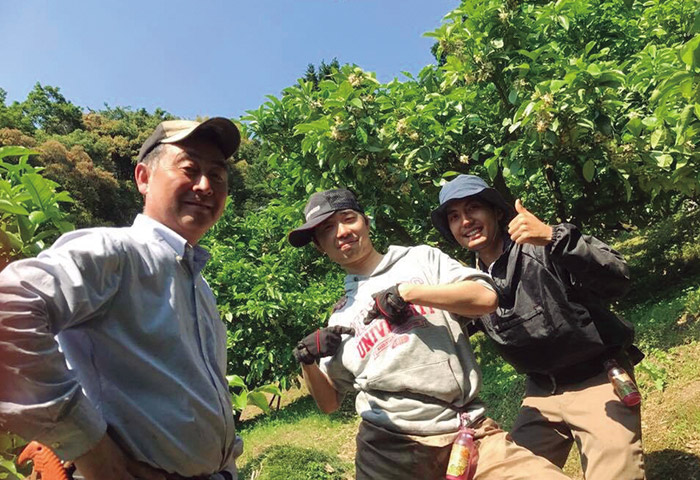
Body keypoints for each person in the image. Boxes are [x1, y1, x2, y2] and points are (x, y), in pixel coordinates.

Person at [0, 118, 244, 480]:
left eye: (218, 175)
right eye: (189, 168)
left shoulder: (197, 284)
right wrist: (93, 449)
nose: (206, 186)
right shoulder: (115, 252)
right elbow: (10, 306)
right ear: (144, 178)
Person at [287, 188, 572, 480]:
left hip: (469, 431)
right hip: (388, 452)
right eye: (327, 229)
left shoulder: (420, 260)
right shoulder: (341, 316)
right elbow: (329, 402)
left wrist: (410, 293)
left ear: (366, 222)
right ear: (320, 246)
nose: (342, 232)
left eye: (348, 219)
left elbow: (486, 298)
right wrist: (307, 359)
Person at [431, 174, 646, 479]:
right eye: (454, 217)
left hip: (598, 378)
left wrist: (552, 236)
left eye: (473, 209)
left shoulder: (541, 245)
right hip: (540, 393)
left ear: (497, 212)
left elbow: (618, 276)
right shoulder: (469, 283)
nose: (465, 221)